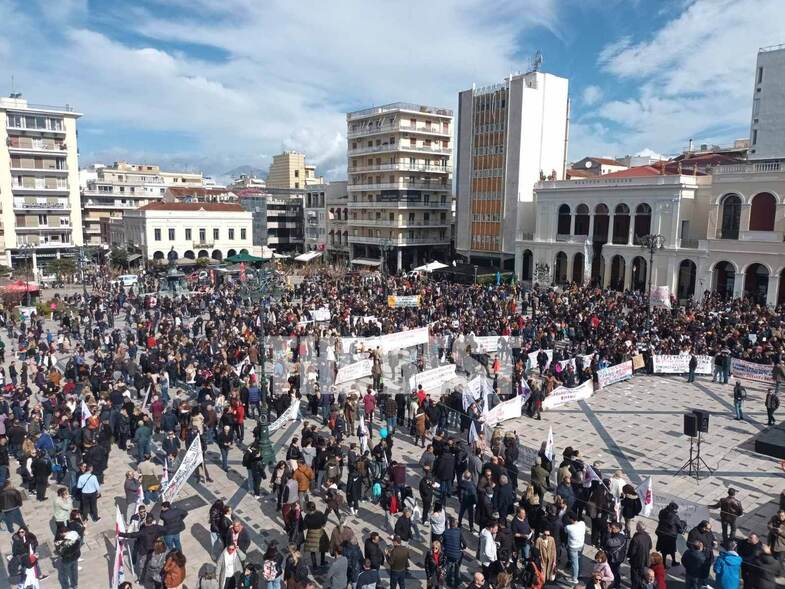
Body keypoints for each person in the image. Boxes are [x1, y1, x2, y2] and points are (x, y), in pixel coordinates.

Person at [654, 502, 683, 567]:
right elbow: (679, 525)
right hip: (670, 535)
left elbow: (660, 518)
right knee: (672, 549)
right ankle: (673, 561)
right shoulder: (675, 517)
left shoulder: (662, 511)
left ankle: (664, 563)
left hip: (661, 533)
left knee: (663, 550)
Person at [628, 522, 652, 589]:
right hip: (645, 561)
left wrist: (629, 558)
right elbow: (650, 546)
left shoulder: (636, 538)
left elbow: (632, 552)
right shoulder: (648, 536)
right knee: (642, 577)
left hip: (636, 562)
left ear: (638, 528)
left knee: (635, 578)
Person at [565, 512, 586, 585]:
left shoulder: (569, 527)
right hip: (581, 545)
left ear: (571, 519)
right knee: (580, 559)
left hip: (573, 547)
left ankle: (574, 579)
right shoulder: (582, 523)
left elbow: (565, 531)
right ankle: (579, 573)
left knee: (575, 563)